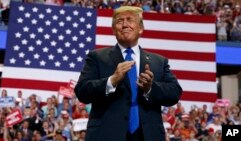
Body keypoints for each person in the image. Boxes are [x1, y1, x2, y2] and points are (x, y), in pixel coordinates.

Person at [75, 6, 182, 141]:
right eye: (120, 21)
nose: (125, 24)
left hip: (147, 135)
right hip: (106, 135)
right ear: (114, 30)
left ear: (140, 28)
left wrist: (150, 88)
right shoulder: (97, 57)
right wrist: (111, 81)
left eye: (130, 20)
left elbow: (174, 93)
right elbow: (82, 92)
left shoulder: (159, 62)